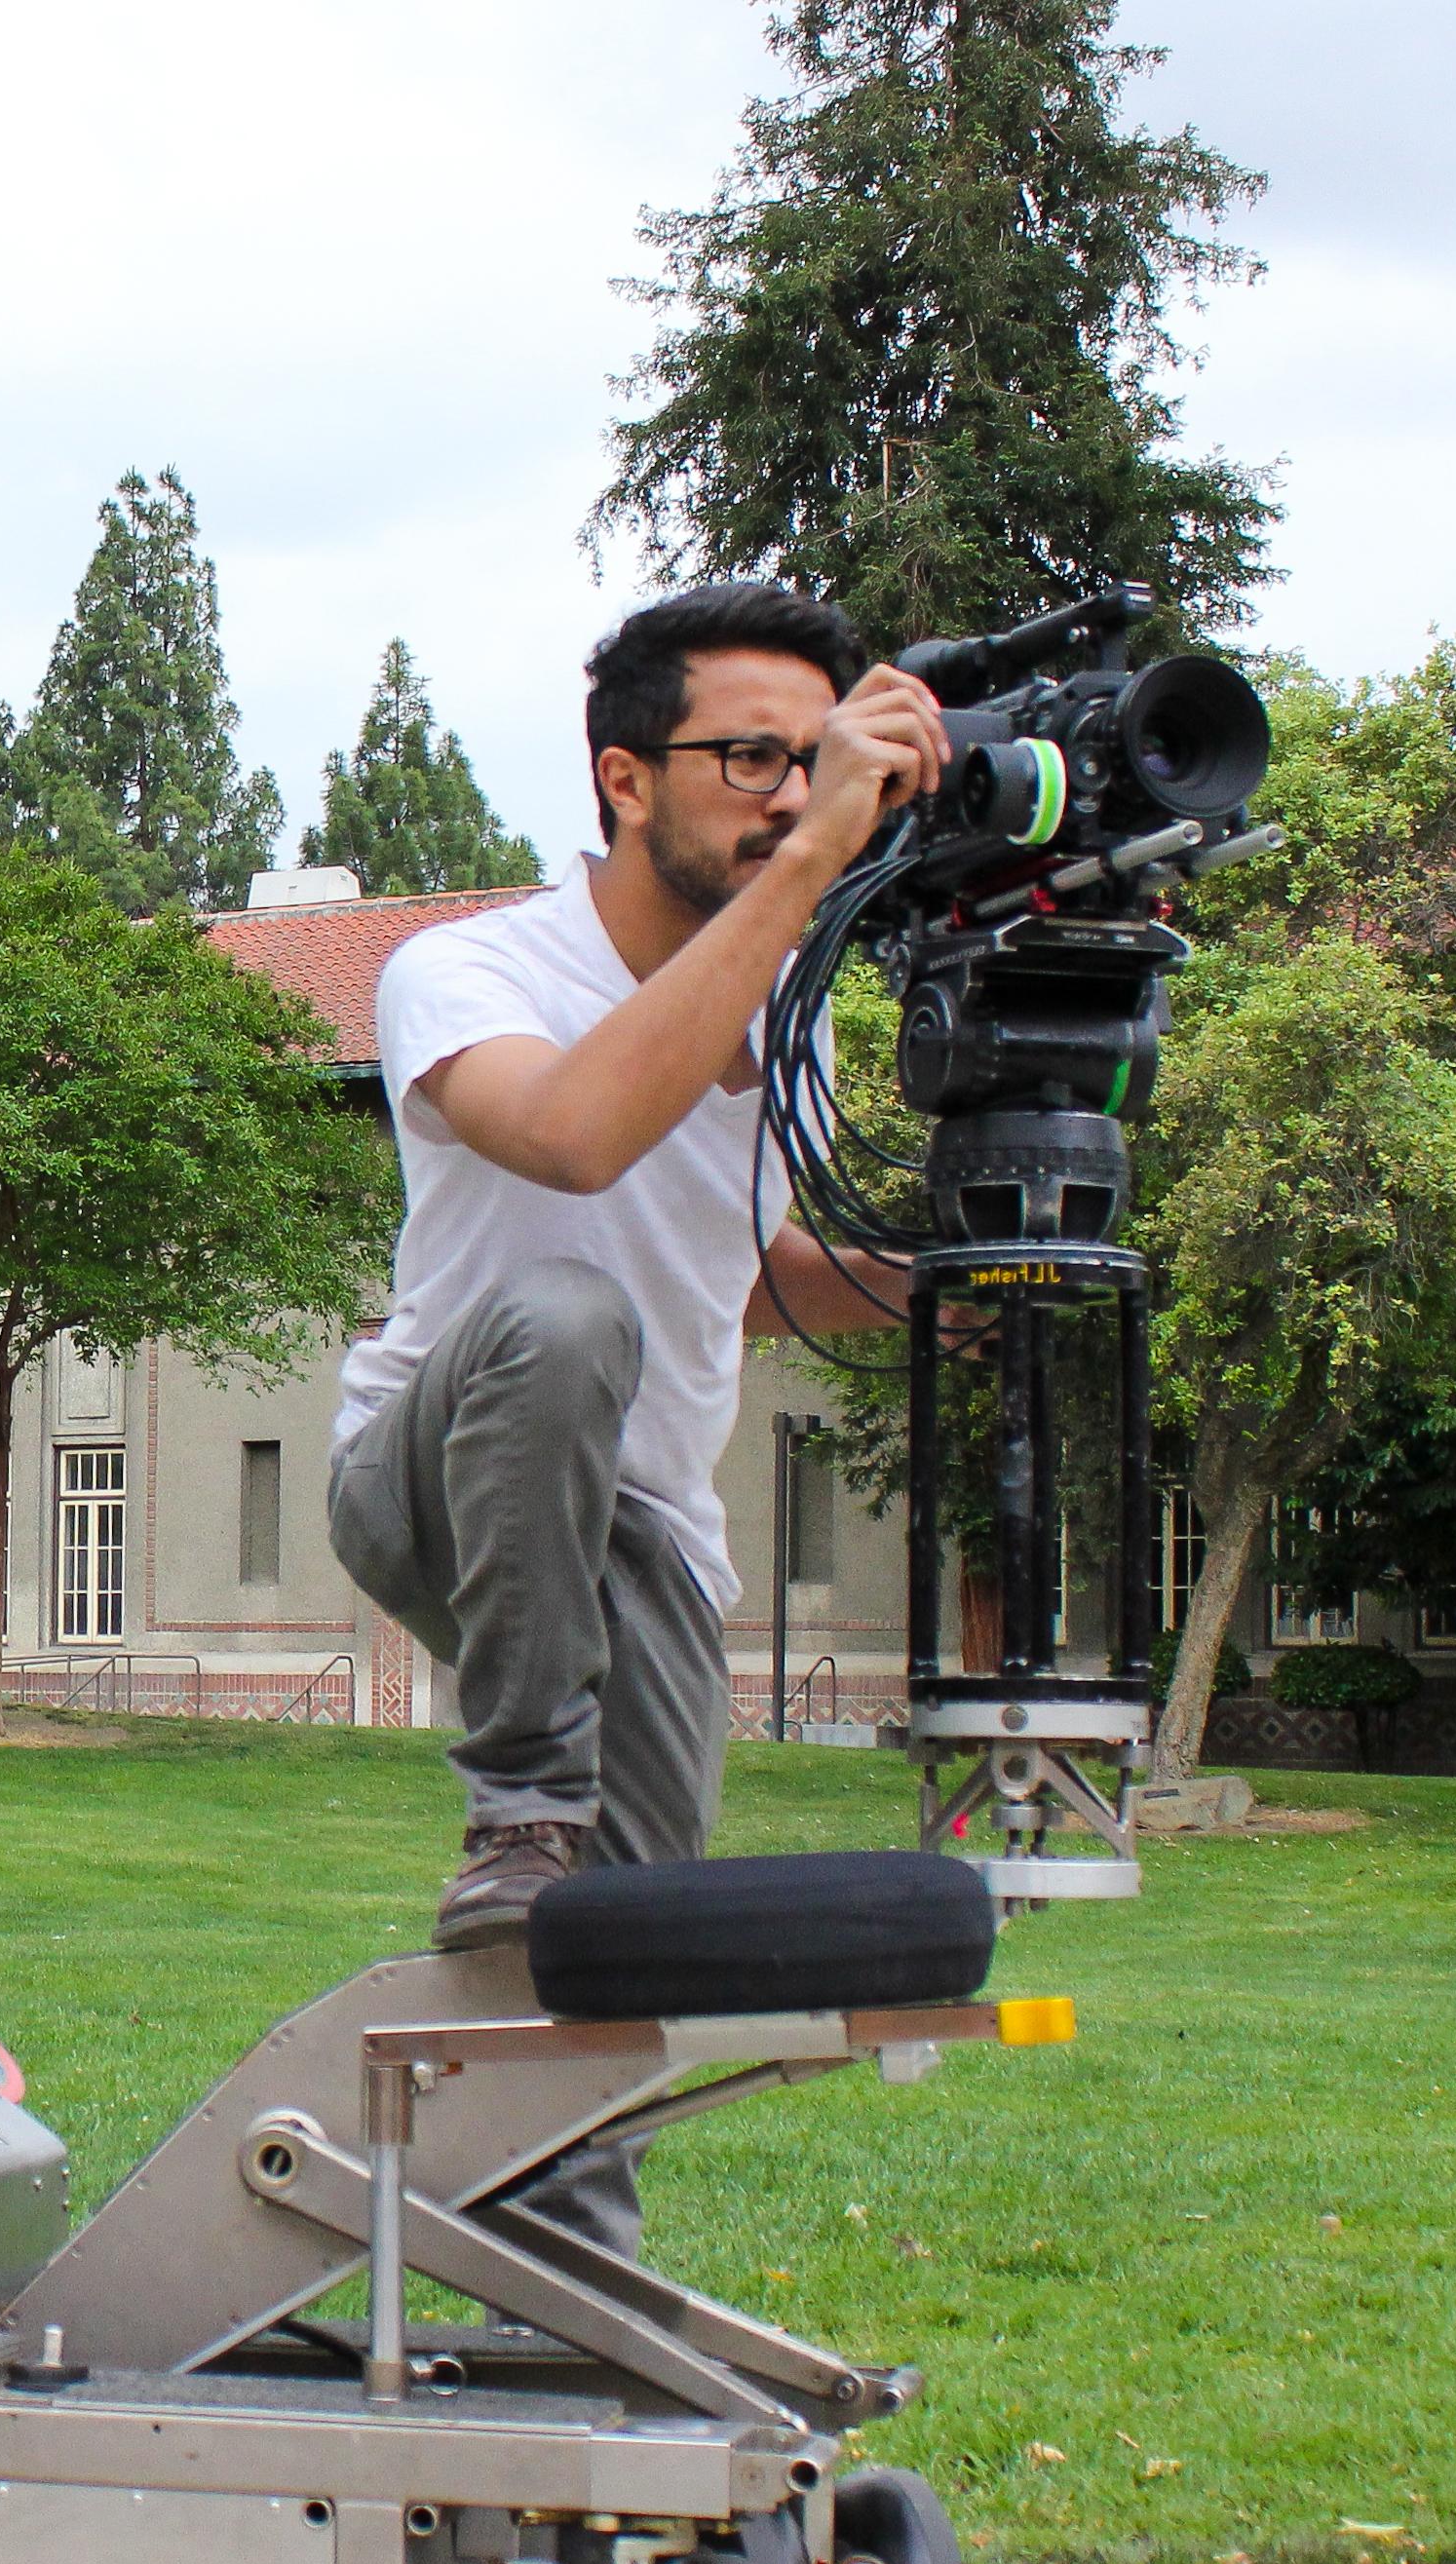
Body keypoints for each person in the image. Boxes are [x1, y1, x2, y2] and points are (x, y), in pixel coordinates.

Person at [326, 582, 949, 2245]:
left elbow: (729, 1272)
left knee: (617, 1961)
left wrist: (950, 1272)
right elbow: (577, 1142)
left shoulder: (789, 1025)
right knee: (558, 1307)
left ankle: (572, 2326)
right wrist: (812, 859)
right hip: (433, 1471)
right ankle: (517, 1800)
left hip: (640, 1531)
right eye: (750, 757)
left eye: (816, 761)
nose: (785, 793)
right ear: (620, 776)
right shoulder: (462, 968)